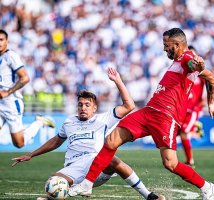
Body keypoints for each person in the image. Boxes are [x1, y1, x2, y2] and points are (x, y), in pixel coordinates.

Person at [69, 28, 214, 200]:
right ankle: (87, 184)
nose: (164, 48)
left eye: (167, 45)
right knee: (111, 141)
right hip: (149, 111)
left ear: (178, 45)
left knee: (170, 163)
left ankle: (206, 186)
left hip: (166, 117)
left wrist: (209, 99)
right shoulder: (178, 60)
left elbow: (208, 75)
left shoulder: (187, 59)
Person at [12, 68, 165, 200]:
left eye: (87, 105)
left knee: (113, 159)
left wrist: (118, 81)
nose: (83, 108)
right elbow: (56, 141)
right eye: (80, 105)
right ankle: (54, 196)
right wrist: (31, 154)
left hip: (96, 165)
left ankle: (149, 196)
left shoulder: (103, 119)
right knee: (53, 183)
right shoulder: (69, 122)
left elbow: (129, 105)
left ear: (94, 108)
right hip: (73, 167)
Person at [0, 29, 55, 148]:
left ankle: (39, 122)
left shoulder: (10, 56)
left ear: (7, 42)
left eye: (1, 40)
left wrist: (7, 92)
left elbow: (25, 78)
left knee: (19, 143)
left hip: (10, 103)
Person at [179, 45, 206, 168]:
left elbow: (208, 88)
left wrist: (205, 102)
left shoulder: (201, 72)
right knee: (178, 133)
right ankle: (195, 128)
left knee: (184, 132)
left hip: (193, 110)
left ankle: (190, 161)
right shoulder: (184, 71)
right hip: (182, 109)